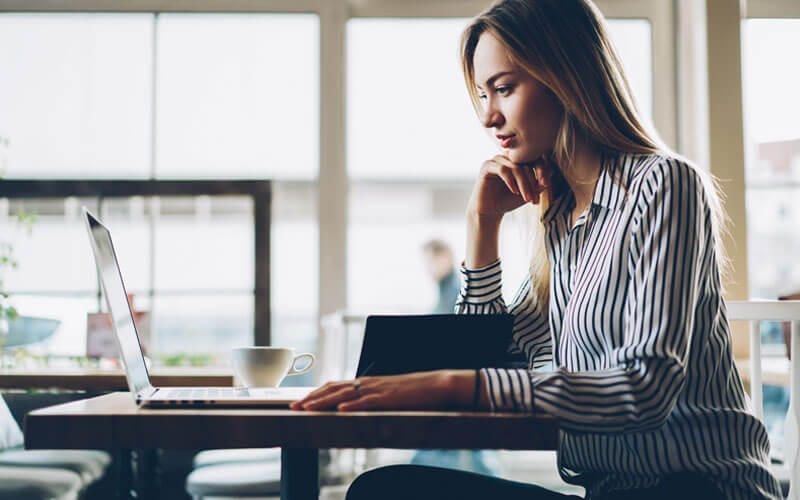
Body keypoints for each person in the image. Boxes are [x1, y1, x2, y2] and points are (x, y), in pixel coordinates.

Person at [291, 0, 783, 498]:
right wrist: (482, 226)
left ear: (566, 78)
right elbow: (487, 357)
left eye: (504, 88)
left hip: (700, 490)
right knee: (386, 489)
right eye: (484, 94)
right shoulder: (561, 220)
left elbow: (644, 387)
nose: (489, 116)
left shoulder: (665, 184)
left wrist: (445, 385)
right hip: (610, 492)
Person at [410, 239, 499, 476]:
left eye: (430, 261)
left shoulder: (454, 293)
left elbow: (449, 339)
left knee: (436, 451)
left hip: (457, 380)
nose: (427, 268)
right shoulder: (446, 290)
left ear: (444, 257)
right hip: (458, 378)